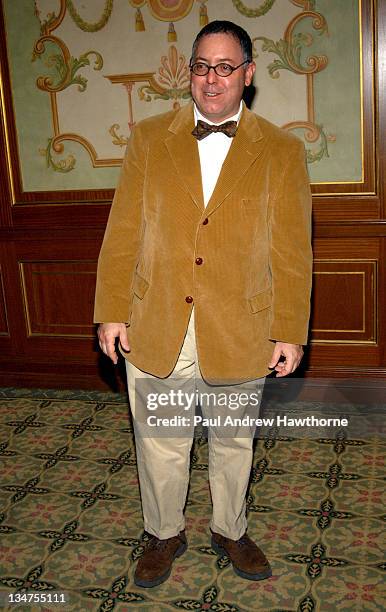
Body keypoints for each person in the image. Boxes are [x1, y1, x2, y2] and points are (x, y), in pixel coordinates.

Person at [94, 20, 312, 588]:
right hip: (157, 318)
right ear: (188, 72)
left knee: (234, 439)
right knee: (159, 440)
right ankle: (164, 532)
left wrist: (289, 329)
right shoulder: (149, 139)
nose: (211, 79)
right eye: (200, 66)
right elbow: (124, 232)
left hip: (243, 324)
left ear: (248, 74)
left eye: (224, 67)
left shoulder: (283, 151)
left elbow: (292, 250)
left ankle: (229, 528)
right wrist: (111, 310)